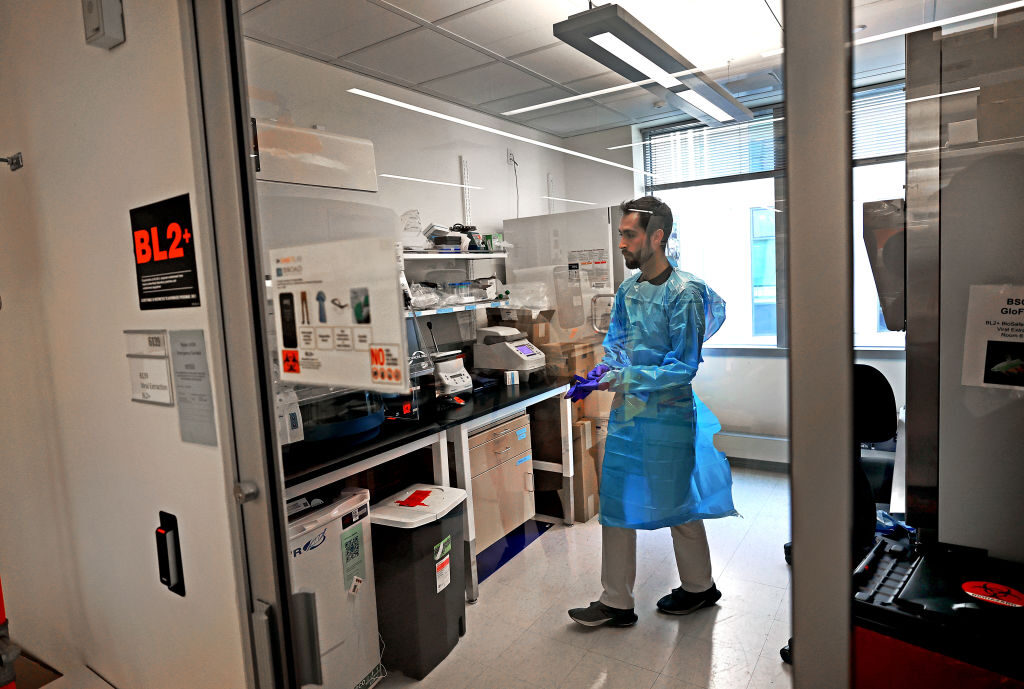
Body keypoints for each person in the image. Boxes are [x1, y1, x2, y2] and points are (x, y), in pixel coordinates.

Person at [566, 196, 736, 627]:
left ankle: (700, 586)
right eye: (621, 232)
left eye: (629, 234)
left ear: (657, 237)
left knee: (679, 501)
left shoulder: (686, 293)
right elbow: (619, 347)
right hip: (629, 415)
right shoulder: (628, 290)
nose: (621, 242)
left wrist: (625, 379)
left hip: (670, 414)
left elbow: (683, 366)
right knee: (616, 501)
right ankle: (616, 602)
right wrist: (602, 371)